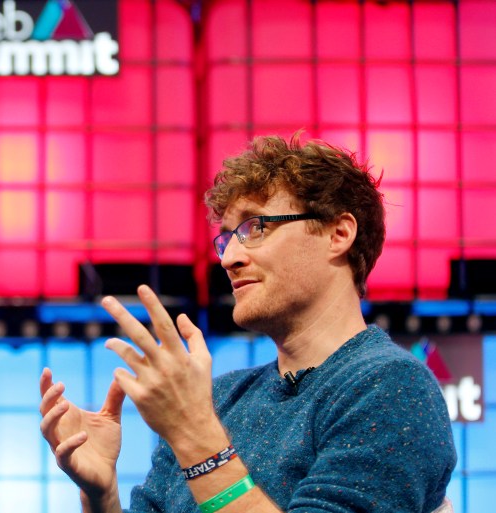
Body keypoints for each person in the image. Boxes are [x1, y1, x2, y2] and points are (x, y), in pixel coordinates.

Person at [38, 133, 456, 513]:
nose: (228, 258)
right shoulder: (219, 398)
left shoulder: (392, 387)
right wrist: (102, 497)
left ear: (338, 234)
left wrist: (193, 434)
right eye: (227, 237)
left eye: (256, 227)